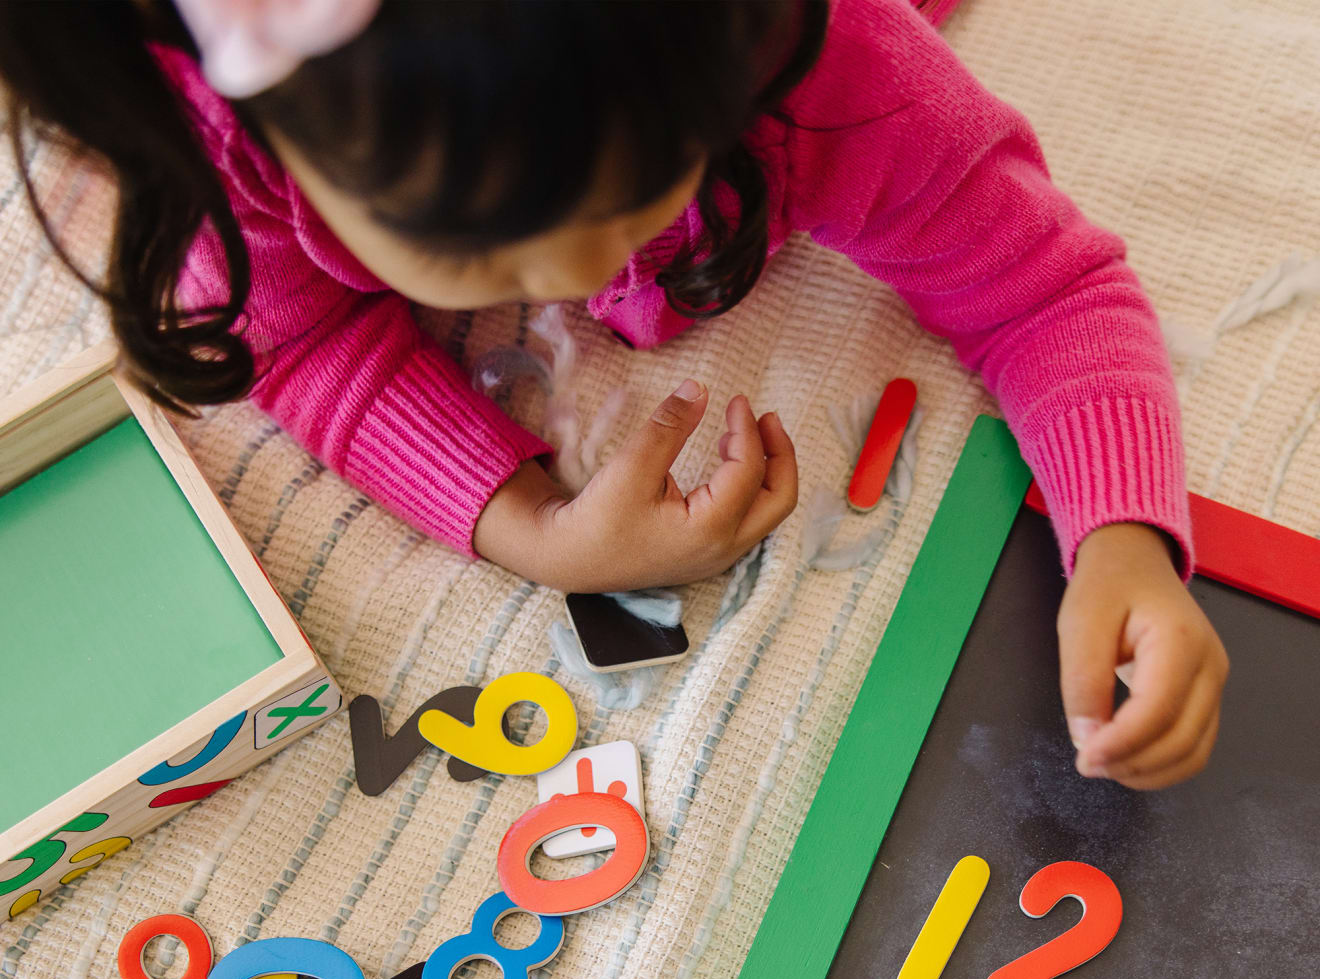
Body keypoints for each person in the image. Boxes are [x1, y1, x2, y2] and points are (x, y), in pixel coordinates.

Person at [0, 0, 1227, 789]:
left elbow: (1045, 290)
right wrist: (527, 522)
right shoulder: (225, 145)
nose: (584, 277)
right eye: (480, 251)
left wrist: (1123, 539)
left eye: (638, 188)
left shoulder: (826, 58)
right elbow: (308, 345)